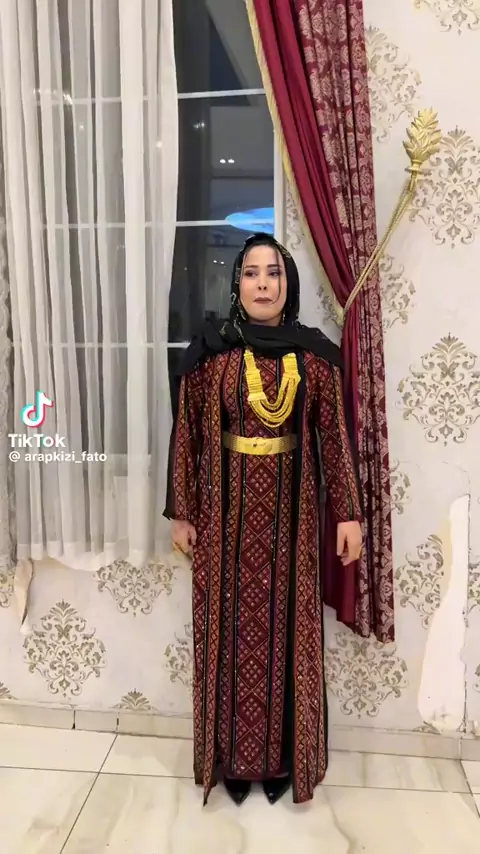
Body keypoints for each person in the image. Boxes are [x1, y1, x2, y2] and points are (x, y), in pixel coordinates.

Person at [164, 233, 362, 807]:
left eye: (273, 273)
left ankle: (282, 762)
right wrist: (182, 512)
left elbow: (335, 441)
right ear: (237, 285)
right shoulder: (212, 354)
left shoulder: (313, 357)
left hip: (292, 526)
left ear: (287, 284)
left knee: (287, 636)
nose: (262, 284)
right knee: (227, 634)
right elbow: (187, 436)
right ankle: (229, 759)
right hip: (223, 521)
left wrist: (348, 515)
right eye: (250, 273)